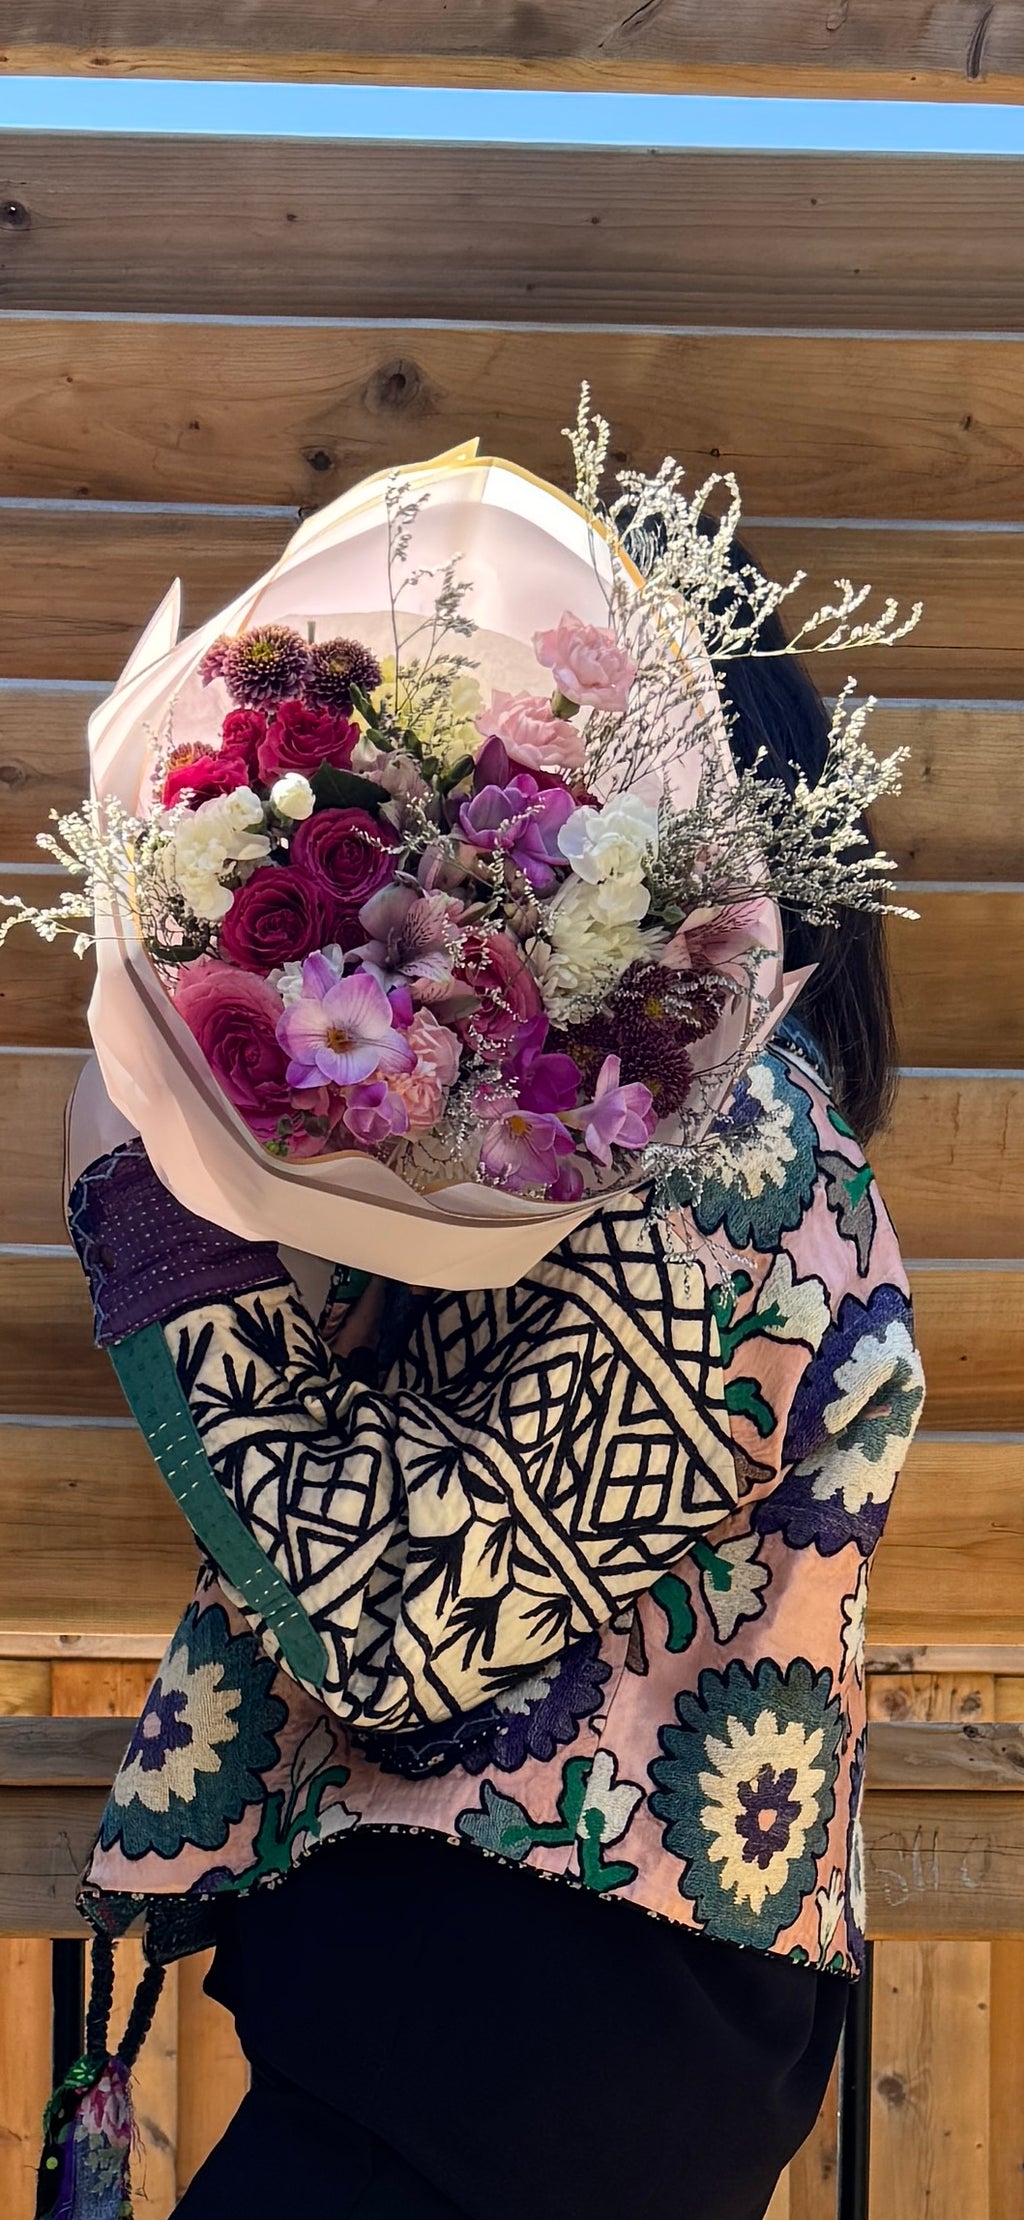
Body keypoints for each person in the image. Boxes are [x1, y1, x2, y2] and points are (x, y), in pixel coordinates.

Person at [62, 541, 924, 2220]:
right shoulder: (660, 1145)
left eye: (549, 791)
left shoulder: (742, 1153)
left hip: (525, 2052)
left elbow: (407, 1620)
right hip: (522, 2050)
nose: (496, 833)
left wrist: (150, 1224)